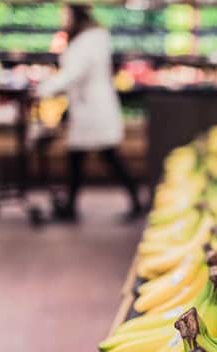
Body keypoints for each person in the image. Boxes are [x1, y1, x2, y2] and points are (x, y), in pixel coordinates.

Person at [36, 4, 142, 222]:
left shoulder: (88, 40)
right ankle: (72, 206)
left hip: (93, 108)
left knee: (106, 156)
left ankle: (134, 202)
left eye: (65, 14)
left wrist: (45, 88)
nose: (62, 19)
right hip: (88, 107)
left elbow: (74, 73)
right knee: (79, 157)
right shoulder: (92, 38)